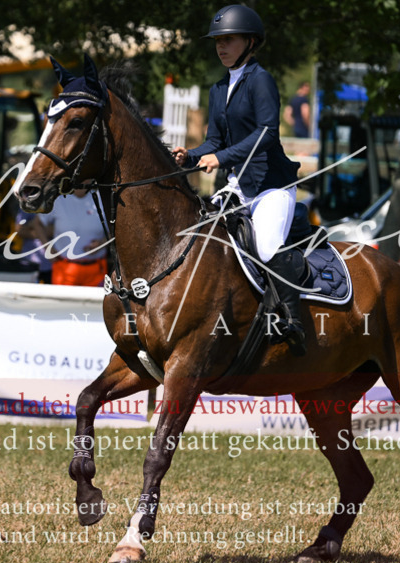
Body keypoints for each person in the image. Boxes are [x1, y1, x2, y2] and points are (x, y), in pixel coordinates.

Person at [171, 4, 305, 354]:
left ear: (250, 41)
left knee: (266, 246)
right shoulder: (218, 88)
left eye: (228, 40)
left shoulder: (260, 80)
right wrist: (193, 155)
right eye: (218, 41)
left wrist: (221, 157)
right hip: (237, 186)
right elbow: (215, 141)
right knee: (200, 236)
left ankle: (291, 320)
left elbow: (267, 134)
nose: (221, 47)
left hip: (270, 187)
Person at [23, 189, 108, 287]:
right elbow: (37, 223)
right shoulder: (58, 199)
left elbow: (116, 229)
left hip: (97, 269)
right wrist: (48, 247)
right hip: (64, 268)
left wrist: (102, 243)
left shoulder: (102, 197)